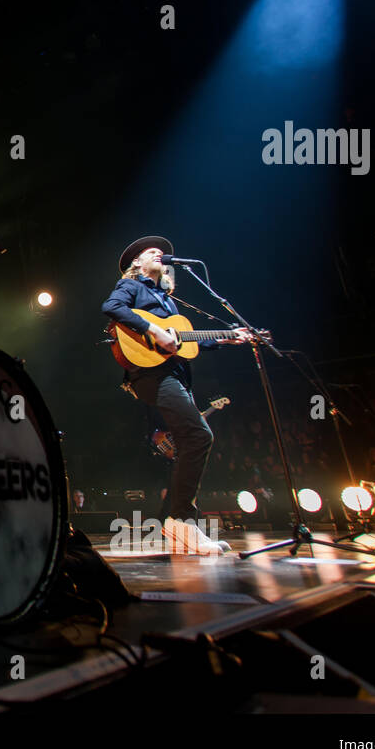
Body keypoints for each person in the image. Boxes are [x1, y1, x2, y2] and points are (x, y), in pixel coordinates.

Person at [102, 235, 251, 555]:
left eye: (162, 252)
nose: (159, 253)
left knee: (190, 440)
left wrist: (225, 338)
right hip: (150, 373)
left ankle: (181, 526)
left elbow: (186, 341)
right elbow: (111, 307)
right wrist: (153, 331)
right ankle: (181, 520)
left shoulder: (169, 300)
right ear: (137, 263)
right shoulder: (132, 287)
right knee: (199, 436)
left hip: (175, 374)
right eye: (150, 251)